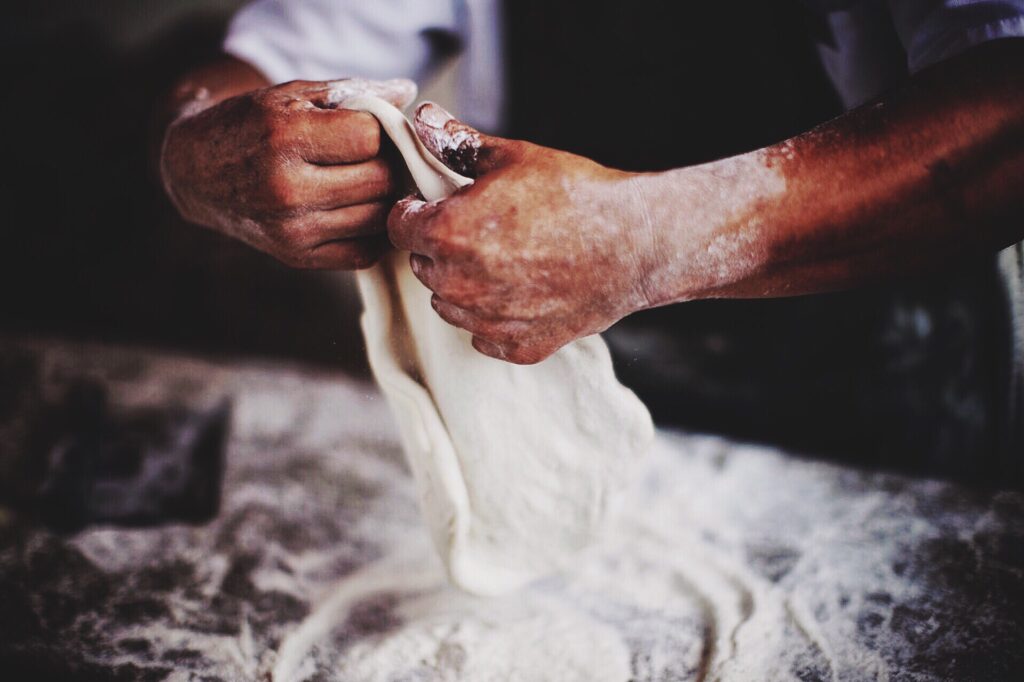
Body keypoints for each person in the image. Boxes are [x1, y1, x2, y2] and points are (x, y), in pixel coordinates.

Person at [156, 0, 1024, 468]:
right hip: (547, 338)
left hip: (878, 356)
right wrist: (196, 141)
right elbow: (277, 55)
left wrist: (644, 239)